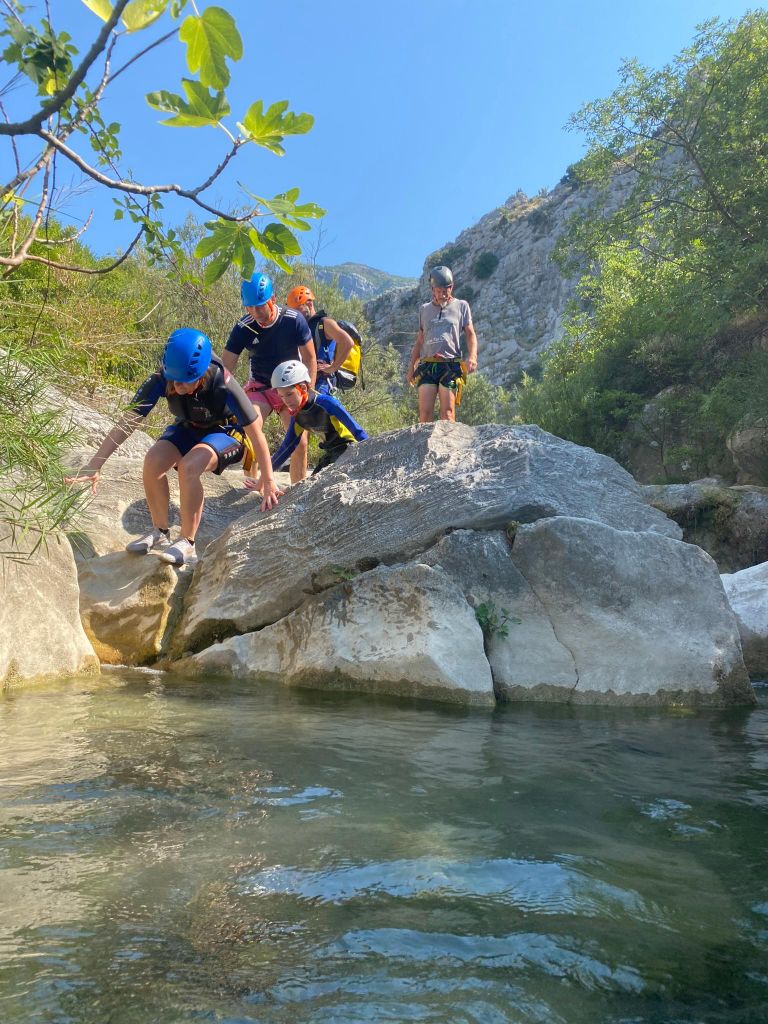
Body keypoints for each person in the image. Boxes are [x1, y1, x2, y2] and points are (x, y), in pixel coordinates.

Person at [64, 328, 282, 566]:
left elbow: (255, 432)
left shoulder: (222, 381)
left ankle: (187, 543)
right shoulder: (163, 378)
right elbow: (127, 423)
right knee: (153, 461)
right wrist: (96, 464)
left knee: (189, 466)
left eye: (185, 382)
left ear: (200, 374)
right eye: (174, 380)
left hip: (226, 432)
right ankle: (159, 531)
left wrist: (268, 479)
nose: (177, 387)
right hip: (189, 427)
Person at [222, 273, 317, 484]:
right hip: (260, 386)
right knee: (251, 431)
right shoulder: (243, 327)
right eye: (250, 307)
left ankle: (297, 490)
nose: (255, 312)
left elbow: (310, 358)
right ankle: (252, 486)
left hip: (289, 386)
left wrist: (308, 391)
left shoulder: (293, 320)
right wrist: (221, 396)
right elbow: (226, 365)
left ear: (272, 299)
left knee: (299, 440)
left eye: (260, 305)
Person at [248, 360, 368, 484]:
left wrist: (373, 450)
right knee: (310, 485)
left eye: (289, 394)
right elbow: (286, 448)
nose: (286, 401)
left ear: (303, 388)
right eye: (281, 396)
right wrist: (263, 478)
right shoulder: (297, 416)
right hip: (331, 453)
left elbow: (356, 430)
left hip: (349, 449)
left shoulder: (326, 403)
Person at [406, 265, 478, 422]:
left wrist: (472, 357)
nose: (442, 295)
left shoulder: (461, 306)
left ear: (451, 287)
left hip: (450, 366)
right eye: (438, 291)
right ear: (432, 290)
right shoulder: (424, 310)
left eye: (445, 290)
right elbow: (419, 341)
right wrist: (411, 367)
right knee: (425, 415)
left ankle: (450, 446)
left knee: (448, 413)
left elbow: (470, 334)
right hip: (427, 366)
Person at [285, 285, 355, 395]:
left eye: (298, 309)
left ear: (309, 303)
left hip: (323, 384)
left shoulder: (325, 323)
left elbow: (348, 342)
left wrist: (333, 367)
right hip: (305, 383)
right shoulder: (301, 327)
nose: (295, 315)